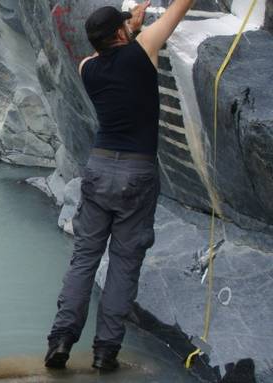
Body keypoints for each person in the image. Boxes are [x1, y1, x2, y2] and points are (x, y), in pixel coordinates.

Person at [44, 0, 195, 371]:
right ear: (119, 33)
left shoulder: (87, 67)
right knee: (124, 265)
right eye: (125, 26)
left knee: (84, 259)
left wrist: (131, 27)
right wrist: (137, 29)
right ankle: (104, 353)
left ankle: (61, 340)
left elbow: (120, 54)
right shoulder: (143, 50)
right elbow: (181, 7)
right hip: (136, 173)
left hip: (98, 169)